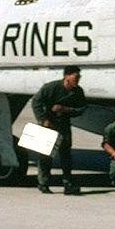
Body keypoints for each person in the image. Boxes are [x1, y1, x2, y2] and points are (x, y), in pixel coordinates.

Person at [31, 65, 87, 194]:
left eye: (79, 77)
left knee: (66, 156)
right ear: (67, 76)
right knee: (45, 155)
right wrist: (43, 119)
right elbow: (36, 102)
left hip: (64, 125)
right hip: (48, 124)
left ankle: (67, 184)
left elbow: (82, 108)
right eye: (76, 77)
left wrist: (66, 110)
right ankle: (43, 183)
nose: (77, 80)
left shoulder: (78, 92)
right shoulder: (51, 88)